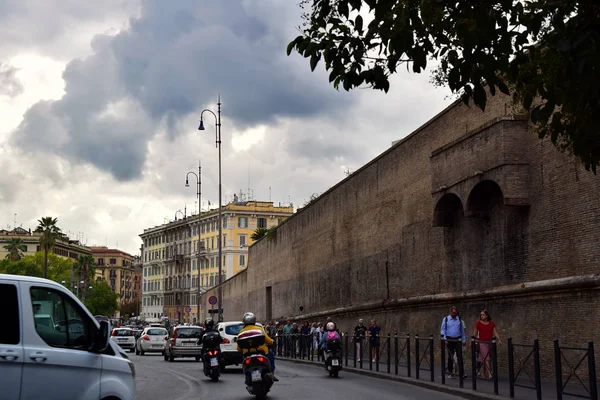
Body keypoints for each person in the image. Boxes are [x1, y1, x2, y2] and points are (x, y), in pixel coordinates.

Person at [237, 312, 279, 382]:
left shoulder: (241, 332)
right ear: (254, 320)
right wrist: (272, 342)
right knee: (271, 354)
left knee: (243, 362)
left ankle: (247, 375)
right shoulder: (259, 329)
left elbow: (238, 348)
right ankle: (271, 372)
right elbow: (268, 340)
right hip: (261, 352)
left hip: (247, 354)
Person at [472, 310, 502, 380]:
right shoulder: (478, 323)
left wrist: (499, 339)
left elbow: (495, 332)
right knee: (487, 358)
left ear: (486, 316)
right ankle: (489, 374)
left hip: (490, 343)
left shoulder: (491, 323)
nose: (481, 316)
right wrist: (472, 341)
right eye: (481, 315)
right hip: (482, 343)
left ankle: (483, 372)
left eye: (483, 315)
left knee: (486, 358)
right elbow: (475, 333)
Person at [440, 306, 467, 379]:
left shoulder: (459, 320)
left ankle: (461, 372)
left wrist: (464, 340)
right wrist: (445, 339)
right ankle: (450, 372)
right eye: (453, 313)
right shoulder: (446, 319)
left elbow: (462, 331)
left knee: (460, 356)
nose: (454, 314)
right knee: (450, 356)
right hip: (449, 339)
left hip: (458, 339)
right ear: (451, 312)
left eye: (455, 313)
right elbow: (443, 330)